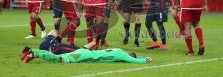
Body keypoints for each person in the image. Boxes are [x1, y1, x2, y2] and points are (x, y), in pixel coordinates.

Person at [21, 44, 152, 64]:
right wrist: (145, 59)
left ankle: (33, 52)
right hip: (86, 56)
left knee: (60, 57)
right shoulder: (123, 56)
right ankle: (35, 54)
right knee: (59, 59)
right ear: (129, 55)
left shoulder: (117, 49)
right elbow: (135, 61)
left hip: (85, 51)